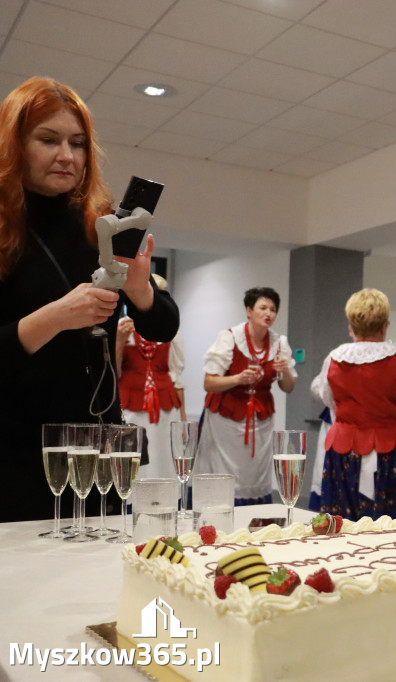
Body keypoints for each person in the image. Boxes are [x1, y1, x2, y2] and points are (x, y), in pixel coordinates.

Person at [0, 77, 179, 523]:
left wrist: (140, 290)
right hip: (19, 455)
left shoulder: (99, 224)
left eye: (77, 144)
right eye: (48, 140)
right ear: (14, 145)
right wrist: (55, 317)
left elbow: (163, 326)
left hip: (100, 449)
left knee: (106, 563)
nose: (67, 155)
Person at [312, 288, 396, 519]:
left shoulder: (334, 358)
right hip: (391, 453)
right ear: (385, 326)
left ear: (352, 326)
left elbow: (328, 398)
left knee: (343, 524)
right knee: (394, 524)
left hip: (344, 452)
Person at [196, 286, 296, 505]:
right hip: (225, 418)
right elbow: (209, 382)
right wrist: (237, 379)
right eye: (263, 308)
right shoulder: (229, 337)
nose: (268, 313)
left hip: (260, 419)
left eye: (273, 309)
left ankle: (255, 514)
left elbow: (288, 387)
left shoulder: (279, 343)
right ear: (249, 311)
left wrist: (286, 370)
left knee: (255, 475)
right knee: (224, 474)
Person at [116, 273, 187, 479]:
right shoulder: (121, 327)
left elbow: (176, 377)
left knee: (163, 457)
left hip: (166, 407)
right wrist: (119, 341)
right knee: (134, 458)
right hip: (131, 406)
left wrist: (183, 419)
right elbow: (114, 372)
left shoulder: (171, 331)